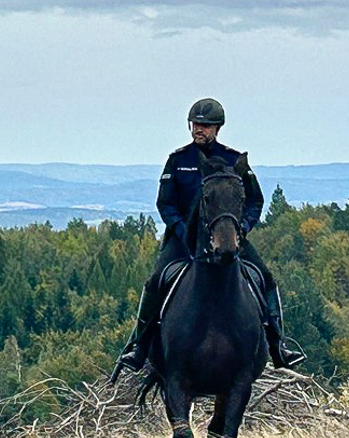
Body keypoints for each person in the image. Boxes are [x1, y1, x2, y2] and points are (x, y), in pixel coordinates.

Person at [115, 98, 305, 374]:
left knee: (266, 278)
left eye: (205, 125)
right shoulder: (177, 160)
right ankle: (138, 346)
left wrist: (241, 229)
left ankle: (278, 344)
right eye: (195, 124)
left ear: (217, 128)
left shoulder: (234, 160)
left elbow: (255, 201)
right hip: (182, 241)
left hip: (228, 239)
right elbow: (165, 204)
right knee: (154, 281)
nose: (198, 130)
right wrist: (184, 232)